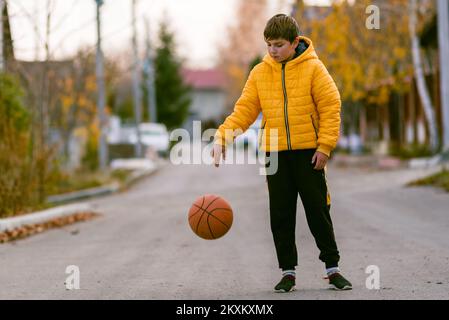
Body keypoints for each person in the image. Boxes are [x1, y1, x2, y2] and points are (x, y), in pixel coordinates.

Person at [211, 14, 352, 292]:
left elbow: (330, 106)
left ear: (294, 42)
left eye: (278, 45)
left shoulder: (314, 68)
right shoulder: (260, 73)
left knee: (318, 211)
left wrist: (324, 147)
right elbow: (244, 111)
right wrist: (222, 138)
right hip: (274, 154)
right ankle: (288, 272)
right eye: (268, 45)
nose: (272, 51)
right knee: (281, 214)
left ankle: (333, 269)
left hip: (308, 153)